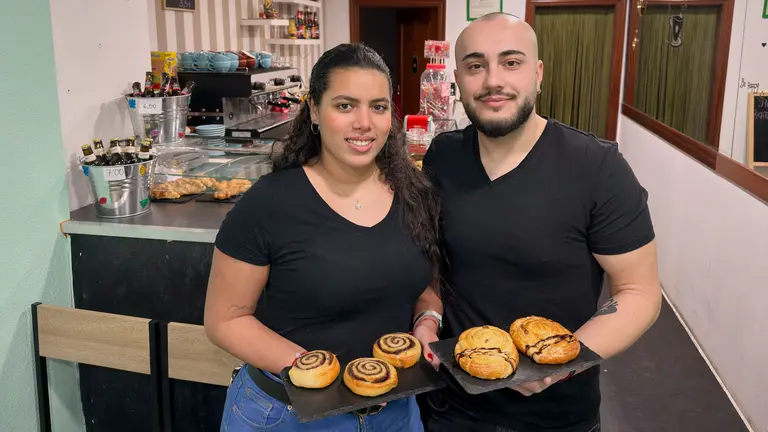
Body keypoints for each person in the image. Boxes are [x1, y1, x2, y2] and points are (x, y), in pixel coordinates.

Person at [417, 13, 662, 432]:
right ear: (458, 80)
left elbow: (639, 293)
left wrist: (559, 365)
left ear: (538, 74)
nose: (493, 81)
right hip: (450, 406)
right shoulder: (443, 156)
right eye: (476, 66)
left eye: (511, 62)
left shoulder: (596, 167)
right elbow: (438, 264)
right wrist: (428, 319)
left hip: (555, 414)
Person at [204, 43, 442, 432]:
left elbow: (426, 284)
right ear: (314, 109)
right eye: (345, 105)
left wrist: (427, 323)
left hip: (395, 414)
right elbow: (225, 320)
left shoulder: (415, 193)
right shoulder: (270, 202)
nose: (364, 122)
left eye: (378, 107)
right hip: (287, 414)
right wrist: (322, 375)